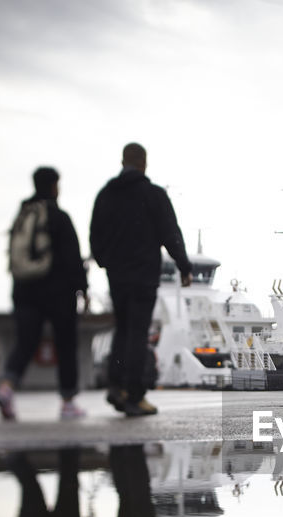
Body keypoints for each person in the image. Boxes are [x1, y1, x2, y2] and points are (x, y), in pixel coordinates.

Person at [90, 142, 192, 417]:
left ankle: (116, 385)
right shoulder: (153, 194)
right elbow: (170, 233)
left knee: (122, 329)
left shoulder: (106, 195)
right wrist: (184, 266)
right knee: (137, 332)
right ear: (144, 163)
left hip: (117, 276)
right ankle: (135, 395)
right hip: (143, 274)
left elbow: (95, 235)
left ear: (123, 161)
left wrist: (106, 262)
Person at [0, 166, 90, 421]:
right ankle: (68, 403)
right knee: (65, 344)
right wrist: (83, 288)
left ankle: (6, 387)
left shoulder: (23, 216)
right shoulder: (58, 217)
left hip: (24, 290)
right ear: (54, 186)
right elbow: (72, 256)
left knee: (25, 342)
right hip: (58, 291)